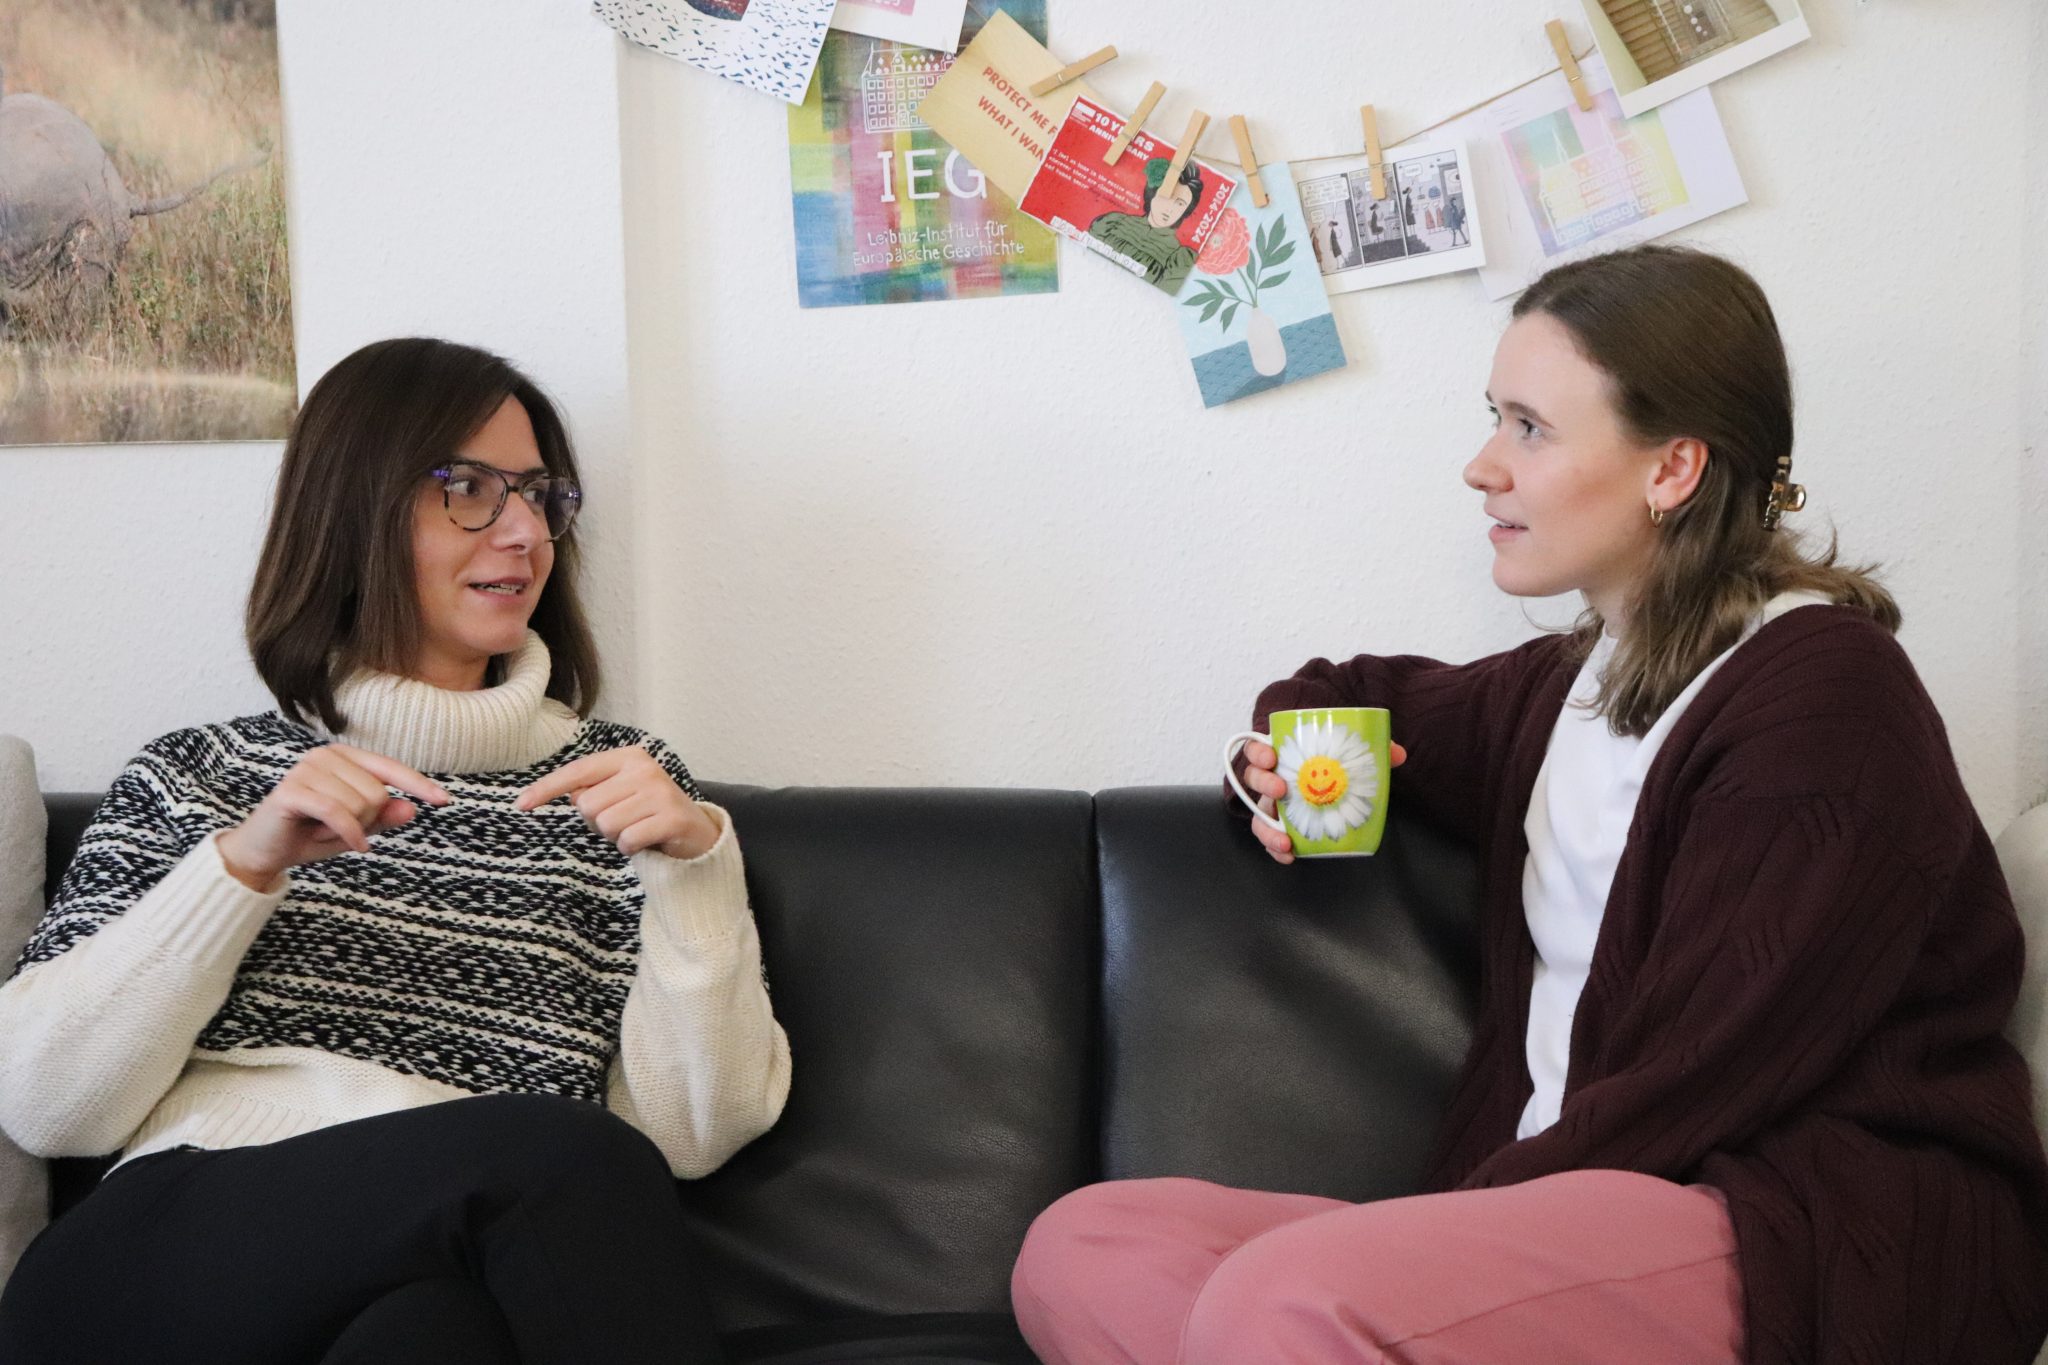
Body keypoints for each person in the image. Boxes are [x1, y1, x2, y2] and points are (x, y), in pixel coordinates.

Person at [1009, 245, 2048, 1365]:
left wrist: (1433, 1236)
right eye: (1493, 419)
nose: (1480, 466)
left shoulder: (1825, 702)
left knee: (1288, 1301)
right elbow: (1356, 693)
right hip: (1572, 1205)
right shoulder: (1570, 684)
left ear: (1671, 469)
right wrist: (1271, 757)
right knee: (1088, 1246)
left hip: (1791, 1218)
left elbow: (1704, 1076)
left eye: (1528, 428)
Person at [0, 338, 792, 1365]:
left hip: (461, 1270)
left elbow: (692, 1136)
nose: (523, 532)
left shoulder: (621, 788)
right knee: (557, 1159)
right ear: (353, 509)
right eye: (467, 488)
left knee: (434, 1336)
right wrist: (240, 868)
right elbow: (47, 1104)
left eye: (539, 494)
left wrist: (695, 873)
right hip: (157, 1273)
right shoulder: (206, 773)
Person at [1087, 156, 1206, 293]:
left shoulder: (1178, 258)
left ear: (1185, 211)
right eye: (1168, 196)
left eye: (1180, 204)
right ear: (1152, 193)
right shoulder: (1113, 223)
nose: (1170, 208)